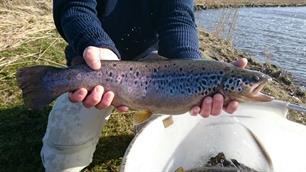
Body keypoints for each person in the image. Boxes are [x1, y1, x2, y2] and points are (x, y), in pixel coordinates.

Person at [41, 0, 248, 171]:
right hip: (94, 60)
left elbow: (177, 17)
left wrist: (190, 67)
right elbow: (75, 6)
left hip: (151, 64)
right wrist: (95, 43)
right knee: (63, 153)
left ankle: (147, 128)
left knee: (169, 129)